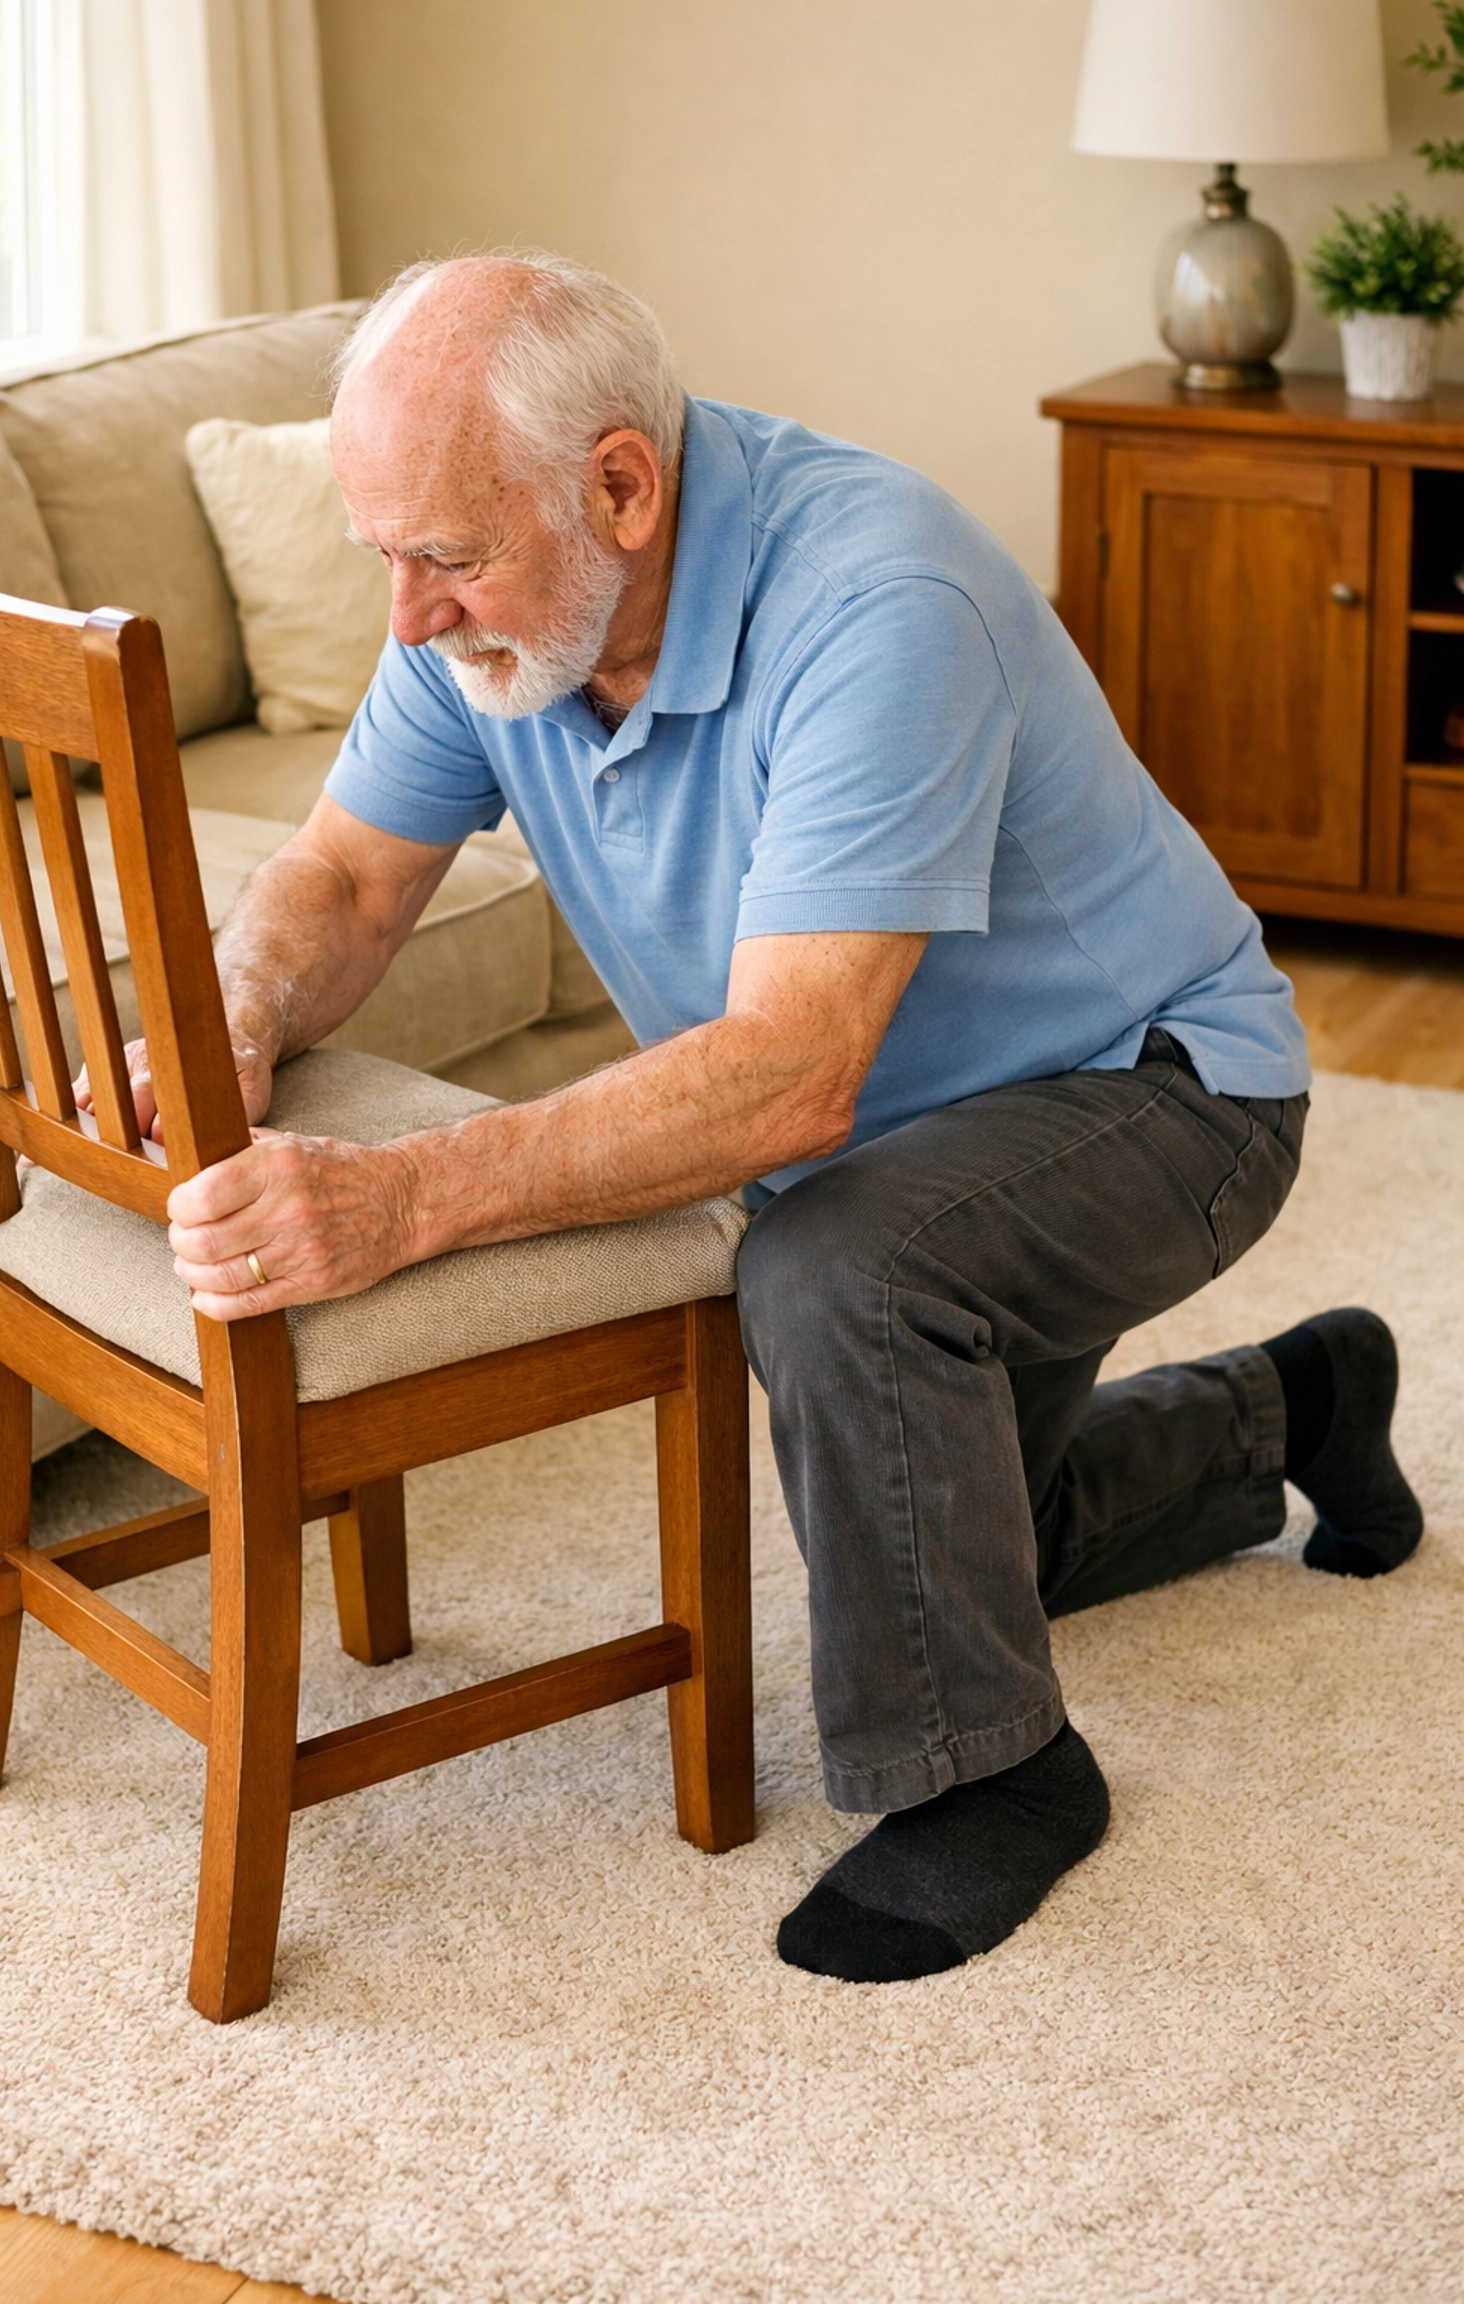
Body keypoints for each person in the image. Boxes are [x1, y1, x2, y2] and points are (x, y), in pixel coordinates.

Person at [87, 253, 1423, 1984]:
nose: (410, 614)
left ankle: (999, 1782)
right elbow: (342, 877)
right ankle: (1297, 1403)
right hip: (905, 1126)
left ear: (622, 487)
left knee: (833, 1274)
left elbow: (793, 1072)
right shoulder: (493, 616)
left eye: (448, 558)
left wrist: (409, 1196)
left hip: (1157, 1089)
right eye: (389, 558)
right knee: (949, 1534)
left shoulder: (877, 597)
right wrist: (248, 1000)